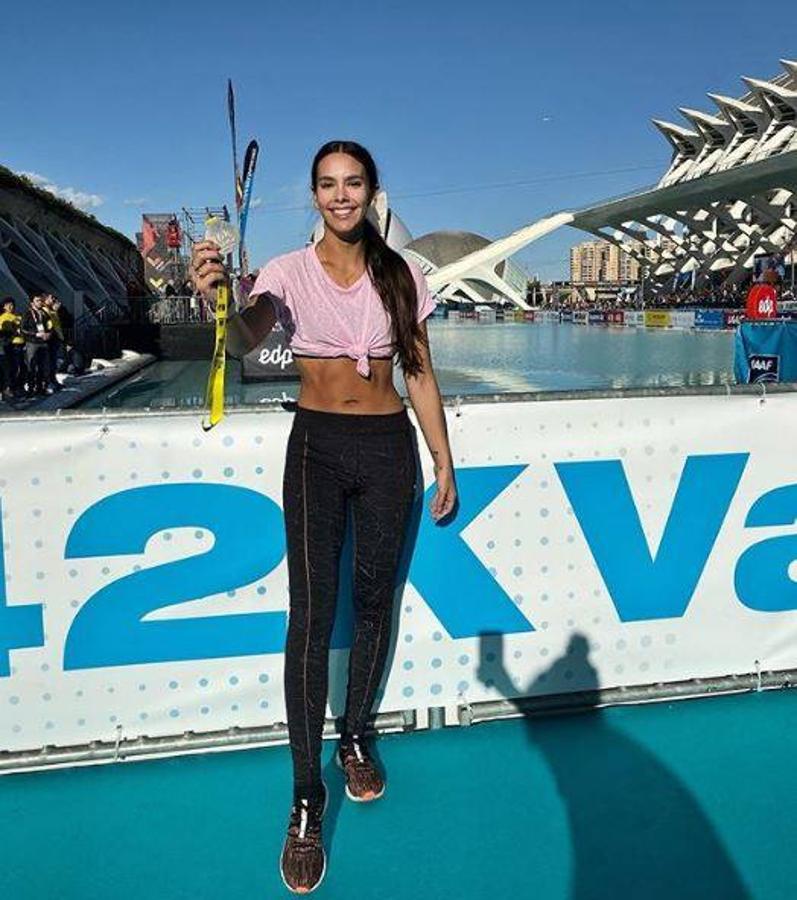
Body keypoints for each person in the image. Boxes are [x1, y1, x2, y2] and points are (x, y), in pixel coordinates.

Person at [191, 140, 457, 894]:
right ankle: (306, 795)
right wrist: (219, 297)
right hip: (315, 447)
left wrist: (442, 460)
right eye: (327, 184)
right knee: (311, 619)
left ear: (372, 192)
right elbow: (248, 335)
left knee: (374, 603)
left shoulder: (402, 272)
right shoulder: (285, 271)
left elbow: (419, 370)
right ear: (313, 194)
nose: (340, 196)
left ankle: (357, 737)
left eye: (353, 183)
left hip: (386, 448)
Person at [20, 295, 54, 396]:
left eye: (40, 300)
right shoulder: (27, 314)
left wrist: (49, 334)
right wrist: (35, 334)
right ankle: (31, 388)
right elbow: (23, 329)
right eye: (37, 301)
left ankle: (41, 387)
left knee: (43, 366)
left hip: (43, 342)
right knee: (31, 365)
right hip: (32, 342)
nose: (40, 302)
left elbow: (50, 325)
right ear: (32, 303)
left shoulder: (44, 313)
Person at [0, 298, 25, 398]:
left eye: (12, 304)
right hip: (10, 345)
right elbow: (3, 333)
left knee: (22, 367)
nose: (11, 307)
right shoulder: (3, 318)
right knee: (12, 368)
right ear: (4, 306)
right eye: (8, 305)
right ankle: (9, 388)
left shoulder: (18, 316)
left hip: (22, 344)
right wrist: (13, 331)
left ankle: (17, 387)